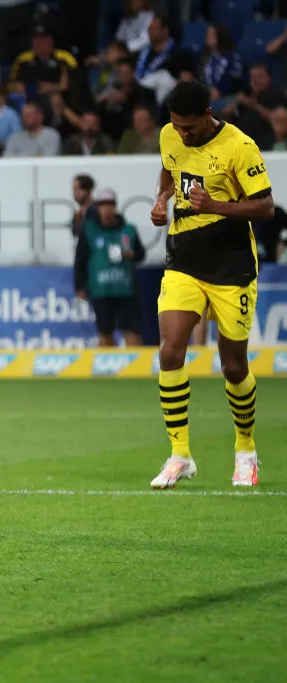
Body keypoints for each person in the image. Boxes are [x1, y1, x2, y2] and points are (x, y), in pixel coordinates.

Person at [149, 80, 273, 490]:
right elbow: (170, 168)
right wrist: (162, 198)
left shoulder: (240, 146)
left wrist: (216, 205)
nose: (182, 134)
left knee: (233, 365)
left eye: (189, 127)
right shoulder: (171, 134)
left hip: (230, 263)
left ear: (208, 114)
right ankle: (180, 454)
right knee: (170, 350)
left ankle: (246, 450)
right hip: (184, 258)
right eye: (176, 126)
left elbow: (266, 207)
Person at [74, 188, 145, 347]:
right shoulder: (89, 230)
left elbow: (141, 254)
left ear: (115, 206)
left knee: (132, 330)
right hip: (101, 290)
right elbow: (80, 260)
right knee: (105, 331)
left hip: (125, 289)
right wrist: (79, 286)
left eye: (110, 204)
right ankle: (108, 368)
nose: (107, 208)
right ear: (98, 207)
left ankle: (136, 368)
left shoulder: (128, 230)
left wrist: (132, 254)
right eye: (103, 204)